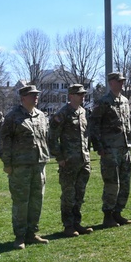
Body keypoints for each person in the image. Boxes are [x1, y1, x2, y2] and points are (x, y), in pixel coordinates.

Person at [0, 83, 50, 249]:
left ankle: (32, 233)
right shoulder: (12, 117)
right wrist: (7, 163)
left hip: (39, 164)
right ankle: (20, 236)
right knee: (21, 202)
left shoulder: (41, 116)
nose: (36, 97)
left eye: (37, 94)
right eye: (32, 95)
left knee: (37, 200)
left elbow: (45, 138)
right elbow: (4, 141)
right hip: (20, 166)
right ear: (23, 98)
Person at [88, 71, 131, 227]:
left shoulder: (125, 101)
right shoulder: (103, 102)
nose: (122, 83)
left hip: (124, 148)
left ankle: (118, 213)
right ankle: (108, 215)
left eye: (122, 81)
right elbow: (94, 126)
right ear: (111, 83)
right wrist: (99, 147)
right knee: (112, 183)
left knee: (125, 182)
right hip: (109, 149)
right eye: (119, 81)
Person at [49, 84, 94, 237]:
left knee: (80, 194)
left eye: (83, 94)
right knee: (68, 194)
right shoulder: (63, 114)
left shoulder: (83, 112)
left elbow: (86, 136)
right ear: (71, 96)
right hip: (68, 161)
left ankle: (77, 223)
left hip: (83, 160)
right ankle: (68, 225)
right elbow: (52, 137)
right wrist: (59, 157)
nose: (82, 97)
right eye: (79, 94)